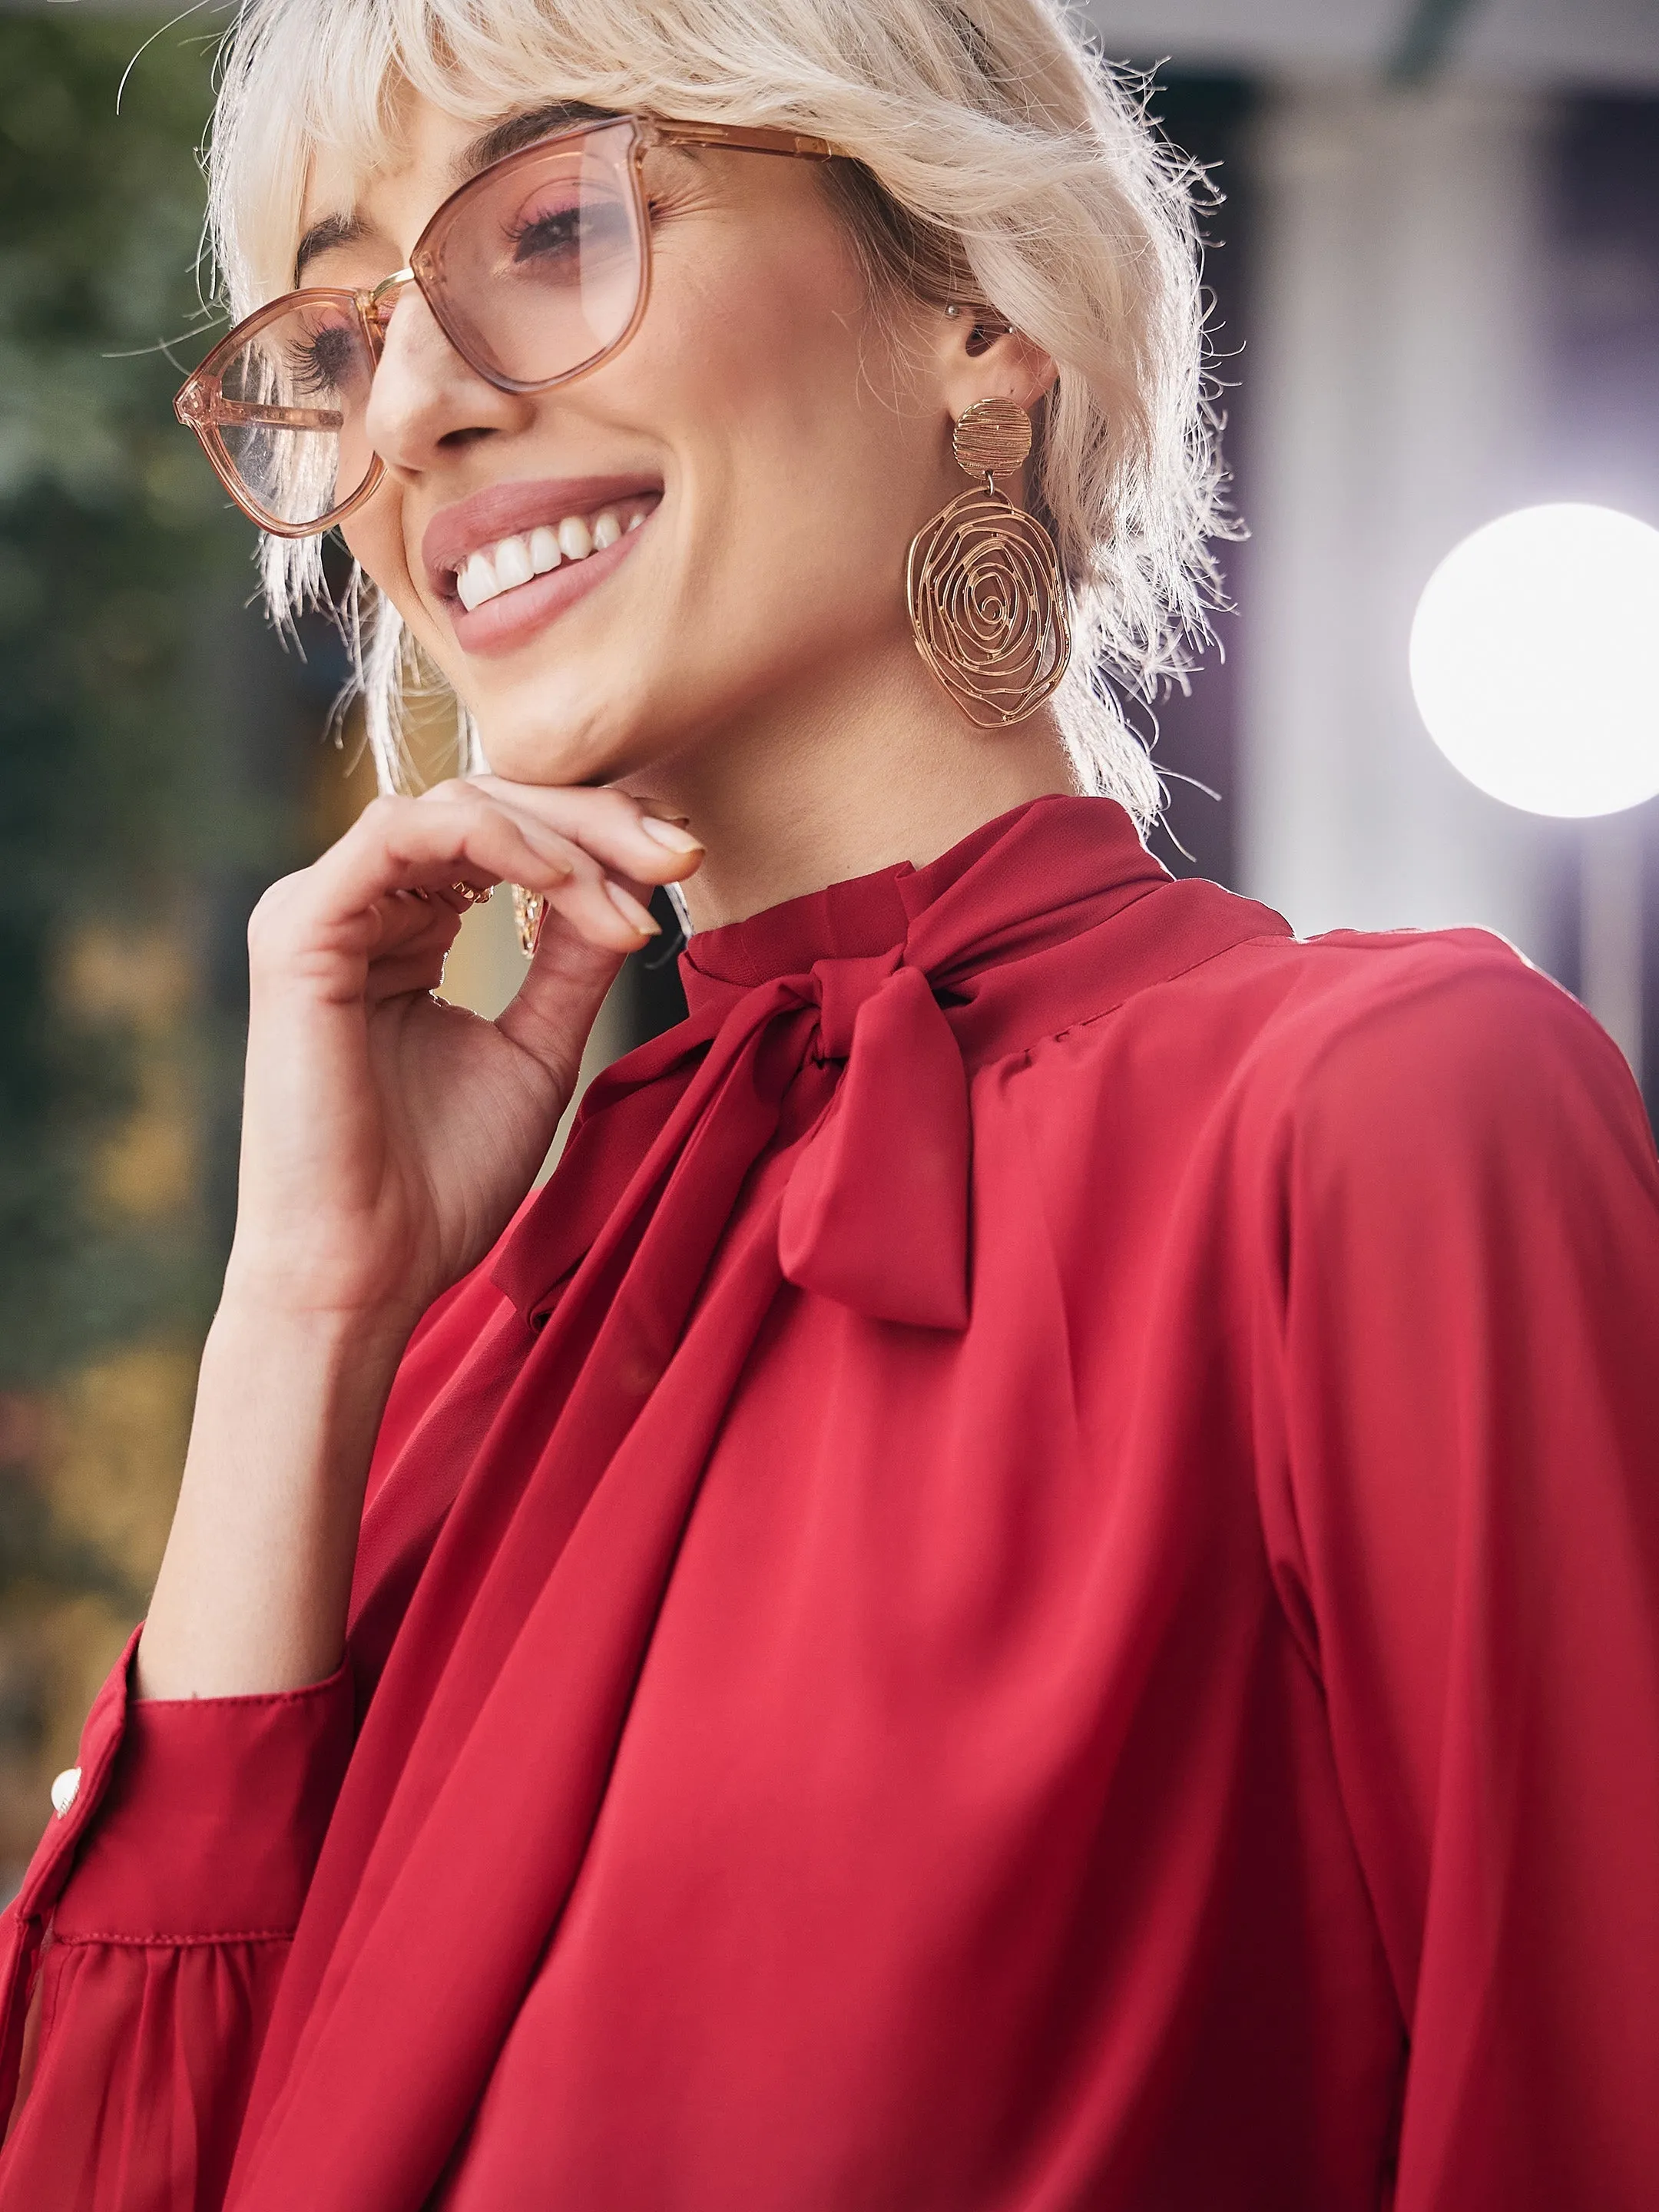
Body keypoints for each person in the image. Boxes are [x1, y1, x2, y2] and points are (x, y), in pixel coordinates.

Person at [3, 0, 1657, 2205]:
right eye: (334, 336)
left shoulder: (1379, 1129)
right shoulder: (478, 1343)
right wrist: (303, 1320)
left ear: (978, 303)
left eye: (555, 225)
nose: (409, 407)